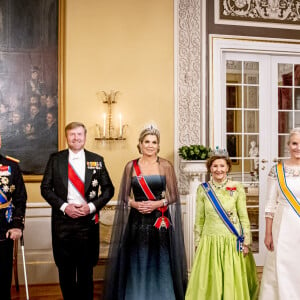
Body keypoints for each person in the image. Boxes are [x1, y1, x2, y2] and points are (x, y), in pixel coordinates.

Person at [103, 124, 187, 300]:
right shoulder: (131, 166)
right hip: (137, 220)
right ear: (140, 144)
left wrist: (157, 204)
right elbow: (124, 195)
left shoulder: (165, 166)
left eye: (154, 142)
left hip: (160, 219)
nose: (150, 145)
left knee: (161, 257)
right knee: (137, 257)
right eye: (146, 141)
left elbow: (173, 195)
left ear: (158, 145)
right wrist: (134, 204)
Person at [41, 122, 114, 300]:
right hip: (63, 224)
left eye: (79, 134)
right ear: (67, 137)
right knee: (65, 271)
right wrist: (65, 207)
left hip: (87, 223)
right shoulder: (55, 159)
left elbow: (109, 189)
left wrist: (90, 207)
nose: (76, 138)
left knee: (85, 271)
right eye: (72, 134)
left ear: (85, 137)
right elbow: (45, 188)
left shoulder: (97, 159)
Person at [185, 148, 259, 300]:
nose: (218, 169)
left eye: (222, 166)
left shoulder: (237, 187)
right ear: (210, 169)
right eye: (215, 166)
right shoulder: (203, 189)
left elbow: (243, 217)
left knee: (231, 278)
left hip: (231, 241)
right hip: (210, 241)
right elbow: (199, 219)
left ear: (227, 168)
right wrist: (198, 242)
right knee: (211, 277)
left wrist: (246, 242)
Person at [259, 127, 300, 299]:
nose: (297, 147)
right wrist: (268, 233)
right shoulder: (277, 170)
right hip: (283, 225)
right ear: (288, 145)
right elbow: (270, 204)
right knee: (281, 264)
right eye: (294, 143)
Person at [0, 134, 27, 300]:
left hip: (4, 227)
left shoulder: (11, 166)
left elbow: (20, 198)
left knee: (2, 277)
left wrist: (17, 225)